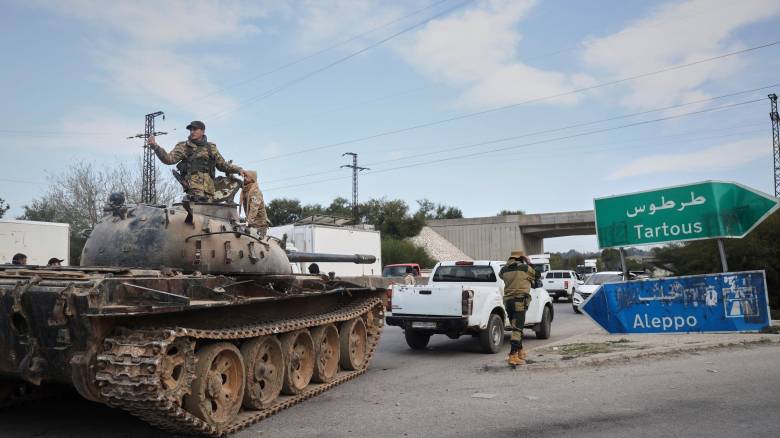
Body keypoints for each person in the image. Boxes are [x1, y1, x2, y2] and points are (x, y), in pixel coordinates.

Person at [148, 121, 247, 201]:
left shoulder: (211, 147)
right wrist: (155, 147)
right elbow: (169, 159)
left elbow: (223, 165)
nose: (192, 132)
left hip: (210, 191)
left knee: (208, 216)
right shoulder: (184, 146)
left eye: (195, 129)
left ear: (202, 131)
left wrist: (239, 170)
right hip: (193, 190)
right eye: (190, 130)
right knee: (195, 216)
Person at [499, 250, 536, 366]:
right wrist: (529, 262)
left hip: (508, 302)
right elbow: (537, 274)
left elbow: (501, 276)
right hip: (519, 302)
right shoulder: (525, 268)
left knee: (515, 327)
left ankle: (520, 352)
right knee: (517, 329)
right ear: (521, 258)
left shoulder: (504, 269)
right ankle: (512, 355)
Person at [239, 170, 269, 237]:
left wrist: (248, 223)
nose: (244, 178)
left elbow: (254, 209)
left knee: (252, 239)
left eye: (247, 177)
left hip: (260, 225)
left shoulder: (255, 191)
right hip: (252, 223)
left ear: (252, 179)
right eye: (244, 176)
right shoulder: (245, 190)